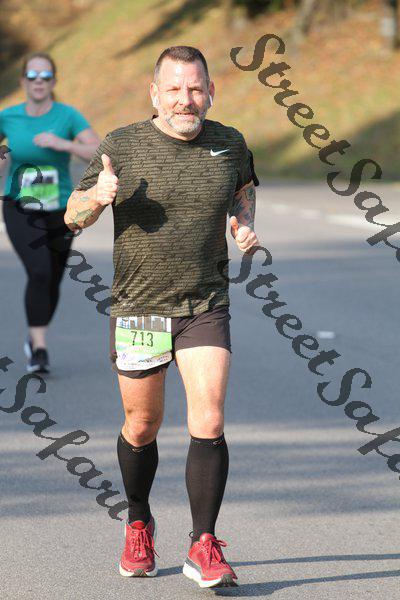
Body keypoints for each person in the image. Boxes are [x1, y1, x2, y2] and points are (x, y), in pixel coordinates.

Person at [64, 45, 260, 589]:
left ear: (210, 91)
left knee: (209, 420)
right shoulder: (122, 145)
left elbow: (242, 192)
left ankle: (204, 543)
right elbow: (72, 216)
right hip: (140, 309)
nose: (184, 99)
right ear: (155, 94)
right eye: (173, 89)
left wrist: (243, 225)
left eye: (195, 88)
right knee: (142, 425)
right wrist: (98, 197)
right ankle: (138, 523)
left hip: (204, 303)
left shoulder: (230, 143)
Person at [0, 51, 100, 374]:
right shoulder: (8, 117)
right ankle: (39, 348)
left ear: (53, 81)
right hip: (21, 207)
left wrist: (64, 144)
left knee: (53, 277)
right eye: (32, 76)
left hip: (60, 210)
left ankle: (34, 338)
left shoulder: (68, 116)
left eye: (45, 76)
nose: (39, 81)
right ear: (23, 81)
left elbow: (97, 150)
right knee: (40, 270)